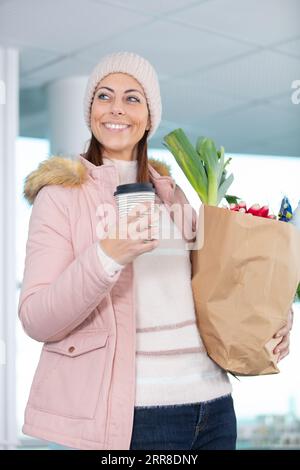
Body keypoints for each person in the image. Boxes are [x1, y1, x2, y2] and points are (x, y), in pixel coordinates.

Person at [18, 51, 293, 451]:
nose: (117, 109)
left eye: (133, 98)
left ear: (150, 117)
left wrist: (273, 316)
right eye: (104, 96)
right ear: (90, 110)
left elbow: (214, 286)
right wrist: (107, 255)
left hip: (213, 407)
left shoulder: (171, 194)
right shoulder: (61, 198)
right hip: (138, 417)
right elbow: (36, 318)